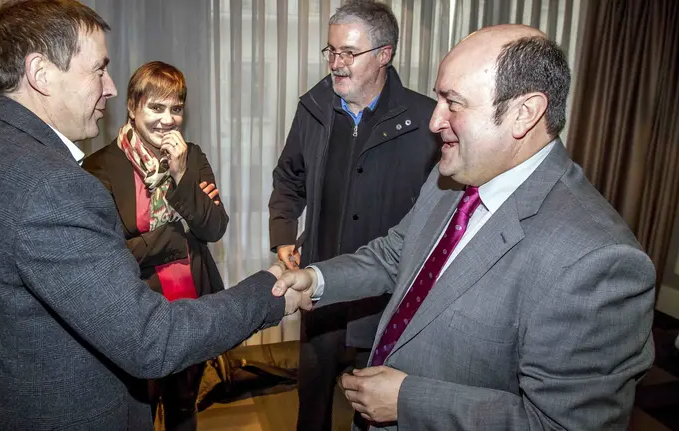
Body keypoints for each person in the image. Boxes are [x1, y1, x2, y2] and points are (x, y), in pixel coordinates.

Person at [0, 1, 305, 429]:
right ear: (41, 73)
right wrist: (271, 292)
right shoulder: (56, 184)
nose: (108, 86)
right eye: (98, 69)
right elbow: (151, 340)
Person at [273, 24, 655, 430]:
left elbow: (559, 425)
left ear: (524, 113)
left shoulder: (600, 262)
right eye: (438, 98)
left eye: (453, 103)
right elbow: (395, 254)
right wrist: (316, 279)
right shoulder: (453, 179)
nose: (435, 121)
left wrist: (408, 401)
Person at [267, 2, 439, 429]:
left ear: (385, 54)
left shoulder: (425, 121)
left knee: (376, 407)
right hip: (321, 282)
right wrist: (284, 236)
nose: (335, 65)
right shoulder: (314, 107)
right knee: (313, 398)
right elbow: (289, 178)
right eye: (331, 51)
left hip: (387, 294)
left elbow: (439, 213)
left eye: (348, 53)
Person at [83, 61, 226, 431]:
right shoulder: (99, 167)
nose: (167, 120)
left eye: (175, 109)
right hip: (137, 309)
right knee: (138, 408)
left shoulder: (191, 157)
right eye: (156, 107)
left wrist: (180, 175)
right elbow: (109, 256)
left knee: (184, 404)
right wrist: (179, 233)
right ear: (132, 107)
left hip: (192, 301)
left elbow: (213, 227)